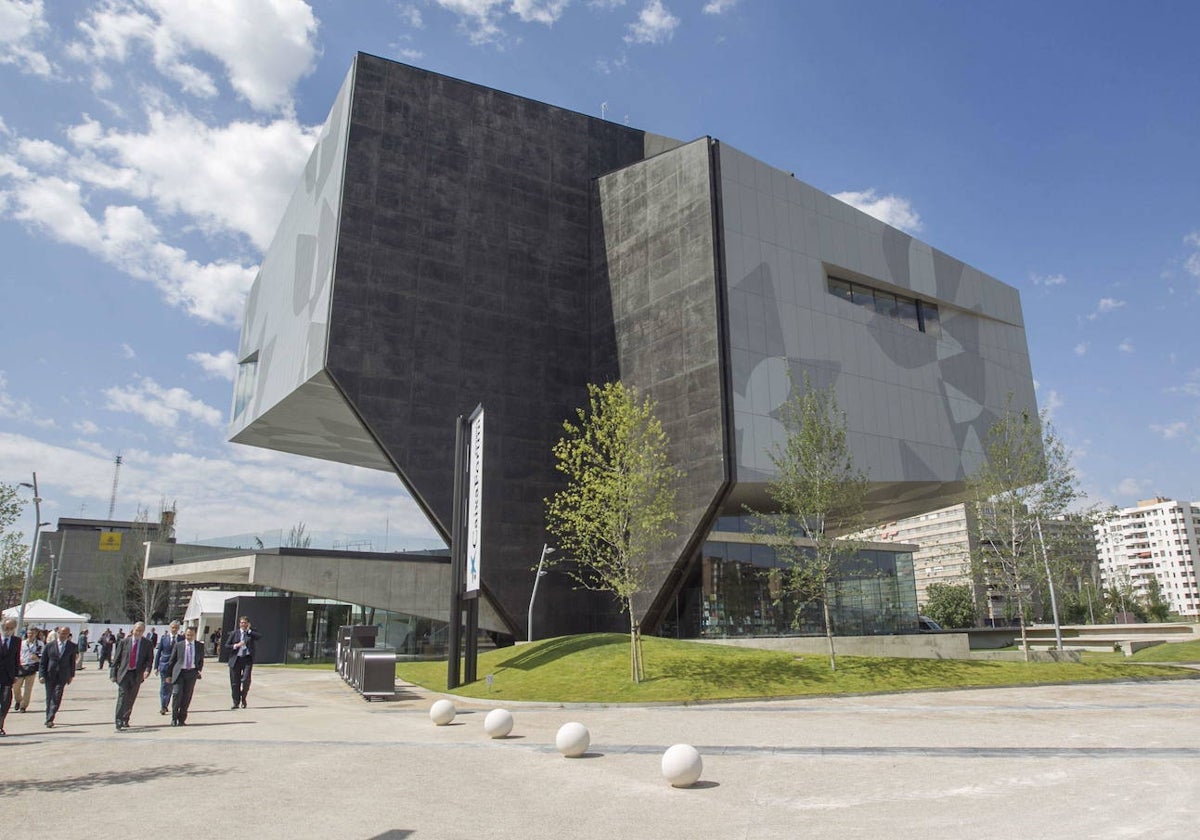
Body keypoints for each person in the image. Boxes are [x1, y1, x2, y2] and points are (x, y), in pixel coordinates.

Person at [110, 621, 155, 731]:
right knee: (122, 696)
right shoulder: (124, 642)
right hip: (124, 673)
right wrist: (113, 674)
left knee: (131, 698)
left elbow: (149, 659)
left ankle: (126, 718)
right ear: (133, 630)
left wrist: (147, 671)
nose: (138, 632)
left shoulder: (147, 643)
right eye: (136, 630)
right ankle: (118, 720)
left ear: (143, 632)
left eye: (140, 631)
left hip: (137, 674)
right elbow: (116, 659)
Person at [38, 625, 77, 728]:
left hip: (63, 675)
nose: (63, 635)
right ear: (58, 633)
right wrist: (41, 675)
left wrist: (71, 675)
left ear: (69, 635)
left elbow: (72, 662)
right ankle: (48, 716)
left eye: (66, 634)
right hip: (50, 674)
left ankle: (50, 718)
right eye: (62, 633)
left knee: (57, 696)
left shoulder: (72, 646)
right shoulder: (49, 645)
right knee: (49, 697)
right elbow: (43, 662)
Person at [164, 626, 203, 726]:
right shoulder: (179, 645)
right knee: (177, 694)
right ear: (185, 635)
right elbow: (172, 661)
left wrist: (198, 670)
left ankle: (182, 719)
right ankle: (174, 718)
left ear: (195, 635)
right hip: (179, 673)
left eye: (191, 635)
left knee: (187, 696)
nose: (189, 637)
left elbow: (200, 660)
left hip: (191, 673)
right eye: (187, 635)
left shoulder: (199, 646)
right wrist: (168, 675)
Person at [224, 616, 262, 710]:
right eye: (241, 623)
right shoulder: (234, 633)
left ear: (248, 624)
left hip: (247, 659)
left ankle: (243, 697)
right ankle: (236, 702)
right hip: (235, 660)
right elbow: (226, 645)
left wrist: (249, 631)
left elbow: (259, 636)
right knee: (234, 683)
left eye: (245, 623)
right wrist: (236, 645)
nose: (243, 624)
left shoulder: (251, 633)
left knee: (245, 680)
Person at [154, 621, 181, 715]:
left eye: (176, 628)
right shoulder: (164, 638)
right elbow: (158, 653)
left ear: (178, 628)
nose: (174, 629)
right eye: (173, 627)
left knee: (171, 688)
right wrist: (156, 666)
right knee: (164, 686)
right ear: (170, 628)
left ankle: (167, 704)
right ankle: (163, 706)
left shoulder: (181, 639)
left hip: (176, 667)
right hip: (164, 666)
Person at [14, 626, 42, 714]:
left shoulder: (40, 644)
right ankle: (18, 700)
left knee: (28, 689)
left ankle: (23, 706)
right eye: (29, 633)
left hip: (31, 667)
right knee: (16, 687)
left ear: (36, 634)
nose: (30, 635)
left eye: (32, 633)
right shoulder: (22, 643)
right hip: (21, 667)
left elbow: (43, 656)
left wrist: (37, 659)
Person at [0, 618, 19, 736]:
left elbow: (16, 659)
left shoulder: (16, 641)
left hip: (8, 676)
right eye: (7, 628)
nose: (8, 631)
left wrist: (16, 674)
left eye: (11, 628)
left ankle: (0, 725)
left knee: (6, 701)